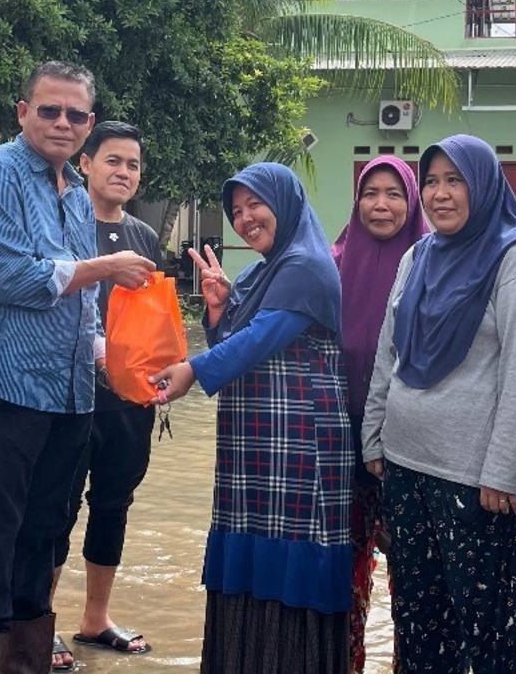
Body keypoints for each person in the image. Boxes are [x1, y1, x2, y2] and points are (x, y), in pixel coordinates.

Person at [0, 62, 155, 671]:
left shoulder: (70, 188)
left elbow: (86, 313)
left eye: (74, 115)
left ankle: (32, 660)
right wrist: (104, 268)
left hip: (71, 397)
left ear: (87, 124)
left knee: (43, 538)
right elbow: (15, 278)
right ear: (23, 112)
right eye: (49, 110)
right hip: (9, 391)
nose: (62, 123)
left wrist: (119, 362)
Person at [362, 135, 516, 672]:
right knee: (420, 625)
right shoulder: (418, 255)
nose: (440, 194)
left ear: (485, 185)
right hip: (406, 468)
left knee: (492, 634)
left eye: (455, 181)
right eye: (431, 181)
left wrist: (503, 470)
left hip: (479, 485)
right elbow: (389, 349)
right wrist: (374, 434)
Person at [151, 162, 351, 673]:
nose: (245, 220)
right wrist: (218, 309)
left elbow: (262, 339)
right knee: (250, 553)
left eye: (255, 205)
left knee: (293, 556)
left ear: (284, 203)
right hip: (255, 445)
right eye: (236, 211)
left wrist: (193, 368)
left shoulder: (306, 264)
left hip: (300, 441)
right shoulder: (262, 271)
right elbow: (235, 344)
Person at [48, 121, 162, 669]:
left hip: (130, 403)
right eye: (112, 160)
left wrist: (162, 375)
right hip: (69, 395)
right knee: (56, 503)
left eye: (133, 165)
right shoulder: (64, 223)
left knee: (113, 504)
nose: (123, 172)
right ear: (86, 164)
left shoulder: (144, 237)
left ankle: (95, 619)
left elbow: (155, 321)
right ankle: (38, 620)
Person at [330, 155, 428, 673]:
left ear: (411, 200)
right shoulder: (333, 262)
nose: (381, 204)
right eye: (371, 193)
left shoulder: (435, 266)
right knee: (346, 580)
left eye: (394, 193)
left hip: (412, 450)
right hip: (342, 450)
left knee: (415, 581)